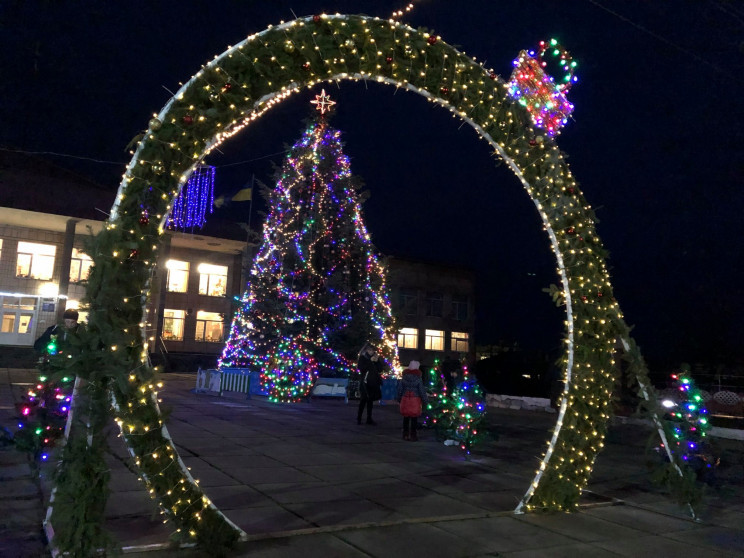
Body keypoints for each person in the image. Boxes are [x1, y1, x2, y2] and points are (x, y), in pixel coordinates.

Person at [396, 360, 428, 441]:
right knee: (414, 418)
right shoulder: (418, 378)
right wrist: (425, 400)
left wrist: (399, 399)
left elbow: (400, 389)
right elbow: (421, 390)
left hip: (405, 399)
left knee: (406, 418)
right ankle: (413, 435)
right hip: (415, 400)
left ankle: (405, 434)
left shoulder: (404, 378)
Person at [356, 344, 383, 425]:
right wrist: (370, 361)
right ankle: (359, 418)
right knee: (363, 400)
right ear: (366, 350)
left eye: (373, 351)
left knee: (370, 401)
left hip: (373, 382)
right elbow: (361, 368)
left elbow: (380, 369)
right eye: (370, 350)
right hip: (365, 382)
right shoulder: (363, 358)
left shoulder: (374, 358)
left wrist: (377, 361)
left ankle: (369, 418)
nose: (372, 352)